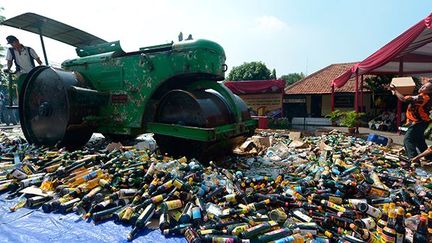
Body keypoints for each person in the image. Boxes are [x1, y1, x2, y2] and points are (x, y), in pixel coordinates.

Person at [390, 80, 432, 166]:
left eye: (425, 87)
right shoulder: (422, 96)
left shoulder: (423, 98)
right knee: (419, 141)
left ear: (429, 91)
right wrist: (395, 92)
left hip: (419, 122)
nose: (421, 87)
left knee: (408, 140)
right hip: (423, 122)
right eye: (423, 85)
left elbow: (404, 99)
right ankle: (430, 158)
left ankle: (414, 160)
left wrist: (396, 90)